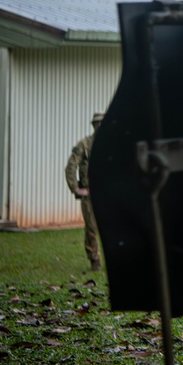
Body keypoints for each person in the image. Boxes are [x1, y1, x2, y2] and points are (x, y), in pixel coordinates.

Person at [65, 112, 104, 271]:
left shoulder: (113, 145)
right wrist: (75, 188)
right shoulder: (84, 145)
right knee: (92, 228)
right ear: (93, 125)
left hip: (109, 195)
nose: (100, 126)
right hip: (90, 194)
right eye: (97, 123)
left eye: (102, 123)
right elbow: (71, 166)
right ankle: (95, 260)